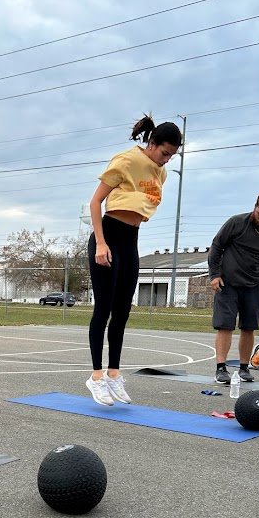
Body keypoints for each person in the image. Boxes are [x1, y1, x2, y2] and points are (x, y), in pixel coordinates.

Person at [86, 115, 182, 406]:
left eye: (172, 156)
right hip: (109, 237)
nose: (166, 160)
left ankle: (114, 374)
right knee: (103, 310)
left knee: (123, 312)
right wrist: (101, 244)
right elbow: (95, 202)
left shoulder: (160, 174)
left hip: (130, 242)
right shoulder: (126, 161)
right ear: (151, 143)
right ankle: (96, 377)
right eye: (164, 153)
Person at [208, 191, 259, 386]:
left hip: (254, 286)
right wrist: (214, 275)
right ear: (255, 206)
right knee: (225, 325)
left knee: (249, 327)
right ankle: (221, 368)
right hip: (228, 284)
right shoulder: (236, 223)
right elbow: (216, 246)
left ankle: (243, 368)